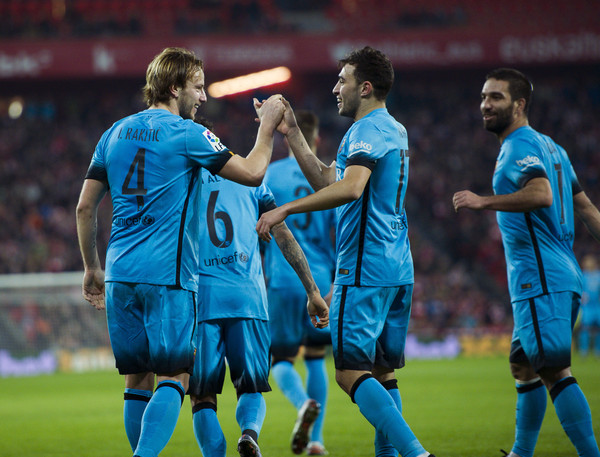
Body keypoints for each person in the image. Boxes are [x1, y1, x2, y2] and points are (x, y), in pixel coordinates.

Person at [75, 46, 289, 457]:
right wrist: (266, 128)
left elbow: (85, 207)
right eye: (198, 87)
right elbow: (252, 173)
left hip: (119, 274)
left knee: (137, 380)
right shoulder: (188, 133)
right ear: (175, 88)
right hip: (168, 276)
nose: (204, 97)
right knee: (176, 376)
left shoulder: (113, 133)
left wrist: (91, 268)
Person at [256, 46, 435, 457]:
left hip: (364, 267)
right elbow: (327, 181)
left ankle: (416, 453)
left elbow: (351, 189)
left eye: (343, 81)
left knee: (349, 372)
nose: (336, 89)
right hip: (396, 267)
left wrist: (285, 208)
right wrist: (292, 132)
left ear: (365, 87)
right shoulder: (393, 129)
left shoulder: (364, 131)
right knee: (383, 373)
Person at [452, 68, 600, 457]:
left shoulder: (518, 147)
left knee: (554, 371)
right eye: (484, 96)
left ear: (519, 104)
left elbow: (541, 193)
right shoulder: (553, 148)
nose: (485, 104)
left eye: (496, 97)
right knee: (523, 366)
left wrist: (483, 201)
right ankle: (521, 453)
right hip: (559, 275)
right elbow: (585, 208)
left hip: (541, 279)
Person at [189, 161, 329, 457]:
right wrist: (312, 290)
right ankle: (249, 434)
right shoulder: (251, 180)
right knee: (251, 387)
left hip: (203, 300)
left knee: (202, 396)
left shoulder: (184, 179)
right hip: (248, 298)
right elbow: (283, 235)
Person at [263, 110, 335, 456]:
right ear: (316, 139)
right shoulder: (330, 179)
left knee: (281, 358)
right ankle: (316, 440)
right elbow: (340, 234)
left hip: (283, 277)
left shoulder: (270, 174)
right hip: (321, 279)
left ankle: (302, 402)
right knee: (317, 357)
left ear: (287, 139)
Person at [578, 254, 600, 357]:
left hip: (597, 306)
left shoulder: (598, 275)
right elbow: (579, 289)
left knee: (598, 328)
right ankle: (584, 350)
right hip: (587, 307)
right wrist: (581, 295)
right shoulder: (583, 276)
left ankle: (597, 350)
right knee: (585, 328)